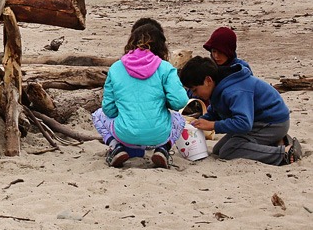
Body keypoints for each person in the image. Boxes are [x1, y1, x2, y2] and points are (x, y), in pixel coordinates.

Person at [93, 21, 189, 168]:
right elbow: (180, 101)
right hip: (159, 135)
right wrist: (165, 103)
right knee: (179, 119)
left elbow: (109, 109)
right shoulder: (165, 68)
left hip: (125, 134)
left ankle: (115, 147)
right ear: (161, 46)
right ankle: (164, 149)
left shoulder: (116, 67)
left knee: (97, 115)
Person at [179, 56, 302, 165]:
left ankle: (284, 153)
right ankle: (278, 141)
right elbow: (215, 111)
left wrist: (213, 125)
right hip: (256, 121)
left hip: (273, 123)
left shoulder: (234, 91)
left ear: (208, 80)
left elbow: (243, 123)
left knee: (229, 150)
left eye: (195, 90)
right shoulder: (219, 86)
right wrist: (199, 122)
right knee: (218, 150)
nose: (194, 94)